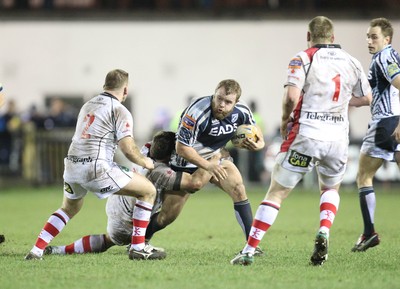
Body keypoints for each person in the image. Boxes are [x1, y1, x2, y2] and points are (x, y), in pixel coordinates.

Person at [230, 16, 372, 266]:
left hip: (306, 136)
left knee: (276, 193)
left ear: (309, 36)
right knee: (330, 189)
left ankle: (249, 250)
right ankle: (324, 230)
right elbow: (367, 97)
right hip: (338, 139)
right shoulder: (352, 61)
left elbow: (291, 97)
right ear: (333, 37)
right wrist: (336, 104)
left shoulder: (303, 58)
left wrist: (285, 119)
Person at [25, 69, 165, 261]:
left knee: (68, 209)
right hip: (96, 168)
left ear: (104, 86)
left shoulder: (87, 105)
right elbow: (128, 149)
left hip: (72, 166)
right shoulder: (119, 110)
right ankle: (138, 247)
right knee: (148, 191)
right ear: (125, 90)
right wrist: (146, 162)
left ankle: (36, 250)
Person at [43, 131, 219, 255]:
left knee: (109, 239)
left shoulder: (147, 149)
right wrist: (216, 157)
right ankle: (139, 244)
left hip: (116, 205)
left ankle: (60, 250)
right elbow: (194, 184)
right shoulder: (157, 170)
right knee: (177, 199)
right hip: (128, 220)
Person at [170, 79, 266, 245]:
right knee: (167, 216)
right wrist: (208, 166)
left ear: (235, 103)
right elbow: (181, 148)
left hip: (216, 157)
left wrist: (259, 145)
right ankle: (141, 239)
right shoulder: (197, 112)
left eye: (228, 102)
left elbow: (258, 136)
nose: (221, 105)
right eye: (219, 98)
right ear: (214, 94)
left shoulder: (242, 111)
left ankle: (252, 246)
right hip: (186, 160)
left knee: (238, 188)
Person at [351, 18, 400, 252]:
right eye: (368, 36)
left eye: (374, 37)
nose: (369, 41)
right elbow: (370, 96)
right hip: (393, 120)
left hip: (386, 123)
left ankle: (369, 233)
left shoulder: (384, 57)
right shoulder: (387, 58)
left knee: (364, 176)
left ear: (387, 39)